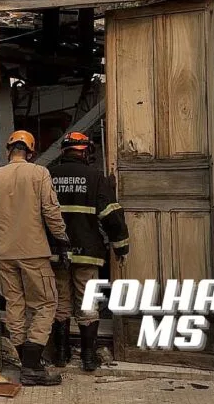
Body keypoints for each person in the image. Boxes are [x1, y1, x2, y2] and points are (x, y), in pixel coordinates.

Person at [0, 130, 71, 386]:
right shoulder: (39, 174)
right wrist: (62, 241)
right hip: (34, 253)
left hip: (4, 255)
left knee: (15, 306)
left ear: (9, 150)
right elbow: (51, 211)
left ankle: (27, 363)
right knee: (45, 304)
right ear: (30, 152)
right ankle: (31, 366)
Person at [47, 132, 130, 372]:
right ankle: (88, 358)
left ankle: (60, 356)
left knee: (60, 304)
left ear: (64, 151)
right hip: (88, 252)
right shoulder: (95, 178)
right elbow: (111, 216)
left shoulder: (49, 176)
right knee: (87, 303)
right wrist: (121, 246)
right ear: (85, 151)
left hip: (56, 251)